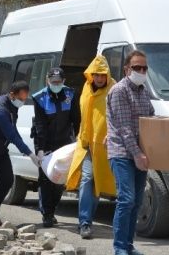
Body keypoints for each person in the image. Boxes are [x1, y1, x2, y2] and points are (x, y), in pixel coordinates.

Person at [0, 80, 41, 226]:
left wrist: (26, 151)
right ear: (12, 95)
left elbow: (13, 129)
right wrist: (29, 153)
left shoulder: (10, 105)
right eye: (21, 99)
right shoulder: (0, 110)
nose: (23, 102)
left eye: (25, 98)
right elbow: (11, 134)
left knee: (8, 180)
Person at [106, 50, 154, 255]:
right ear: (127, 69)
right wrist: (138, 154)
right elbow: (125, 128)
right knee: (126, 199)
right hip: (123, 153)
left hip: (139, 153)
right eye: (137, 68)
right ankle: (119, 248)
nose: (141, 71)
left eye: (144, 68)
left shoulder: (143, 91)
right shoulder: (119, 91)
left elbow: (151, 118)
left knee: (136, 201)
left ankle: (128, 245)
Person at [66, 56, 116, 239]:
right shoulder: (86, 88)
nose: (100, 78)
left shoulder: (114, 89)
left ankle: (88, 220)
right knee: (87, 178)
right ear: (91, 75)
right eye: (97, 75)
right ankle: (84, 222)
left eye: (103, 75)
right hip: (86, 144)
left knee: (97, 183)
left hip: (105, 146)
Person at [31, 67, 80, 228]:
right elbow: (40, 125)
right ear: (47, 81)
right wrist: (40, 149)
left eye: (59, 82)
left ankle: (51, 210)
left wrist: (79, 140)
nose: (56, 84)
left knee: (59, 179)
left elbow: (76, 120)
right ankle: (47, 214)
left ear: (64, 81)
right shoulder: (40, 98)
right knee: (45, 180)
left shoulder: (71, 95)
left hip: (64, 144)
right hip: (45, 143)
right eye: (53, 82)